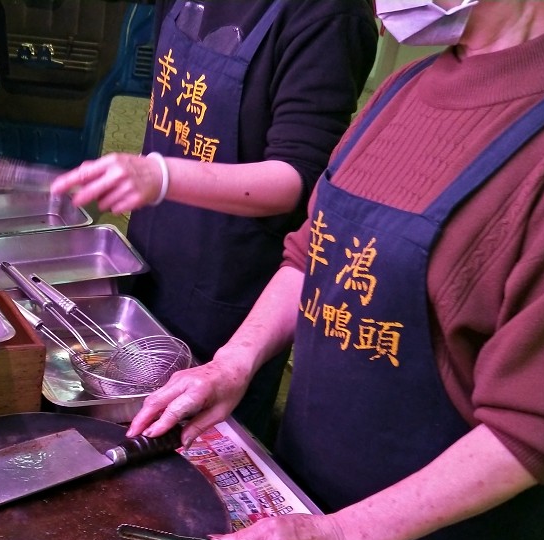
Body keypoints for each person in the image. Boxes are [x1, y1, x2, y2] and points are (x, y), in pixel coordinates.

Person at [126, 0, 544, 540]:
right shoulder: (402, 90)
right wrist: (233, 362)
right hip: (303, 516)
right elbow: (309, 257)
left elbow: (533, 425)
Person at [51, 0, 378, 441]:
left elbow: (300, 179)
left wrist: (163, 175)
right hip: (153, 256)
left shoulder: (328, 15)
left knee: (195, 451)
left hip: (229, 292)